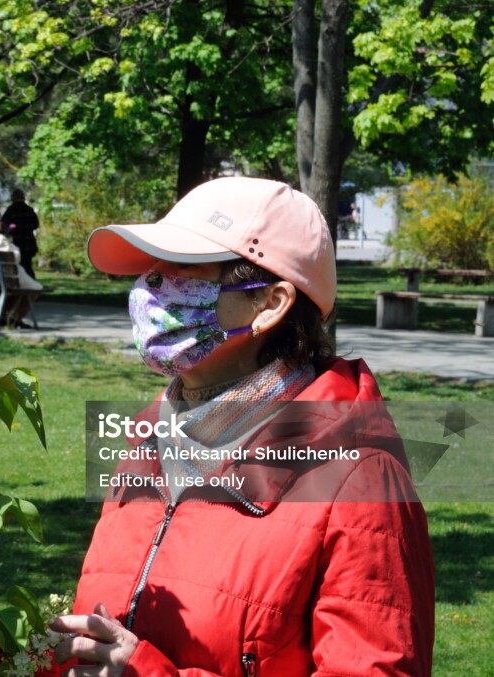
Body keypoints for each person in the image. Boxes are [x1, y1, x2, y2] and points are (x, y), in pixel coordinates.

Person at [45, 177, 434, 676]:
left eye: (183, 269)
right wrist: (7, 656)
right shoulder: (147, 442)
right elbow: (108, 648)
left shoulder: (359, 479)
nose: (150, 285)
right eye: (150, 268)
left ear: (269, 304)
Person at [0, 209, 43, 328]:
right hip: (10, 276)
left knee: (15, 291)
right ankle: (14, 318)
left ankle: (5, 317)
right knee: (36, 289)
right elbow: (15, 258)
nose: (1, 224)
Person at [1, 189, 40, 279]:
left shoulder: (11, 210)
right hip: (29, 244)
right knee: (28, 266)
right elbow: (36, 225)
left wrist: (12, 229)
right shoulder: (29, 210)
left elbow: (4, 226)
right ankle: (33, 286)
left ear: (13, 198)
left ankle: (25, 286)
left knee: (19, 267)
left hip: (16, 243)